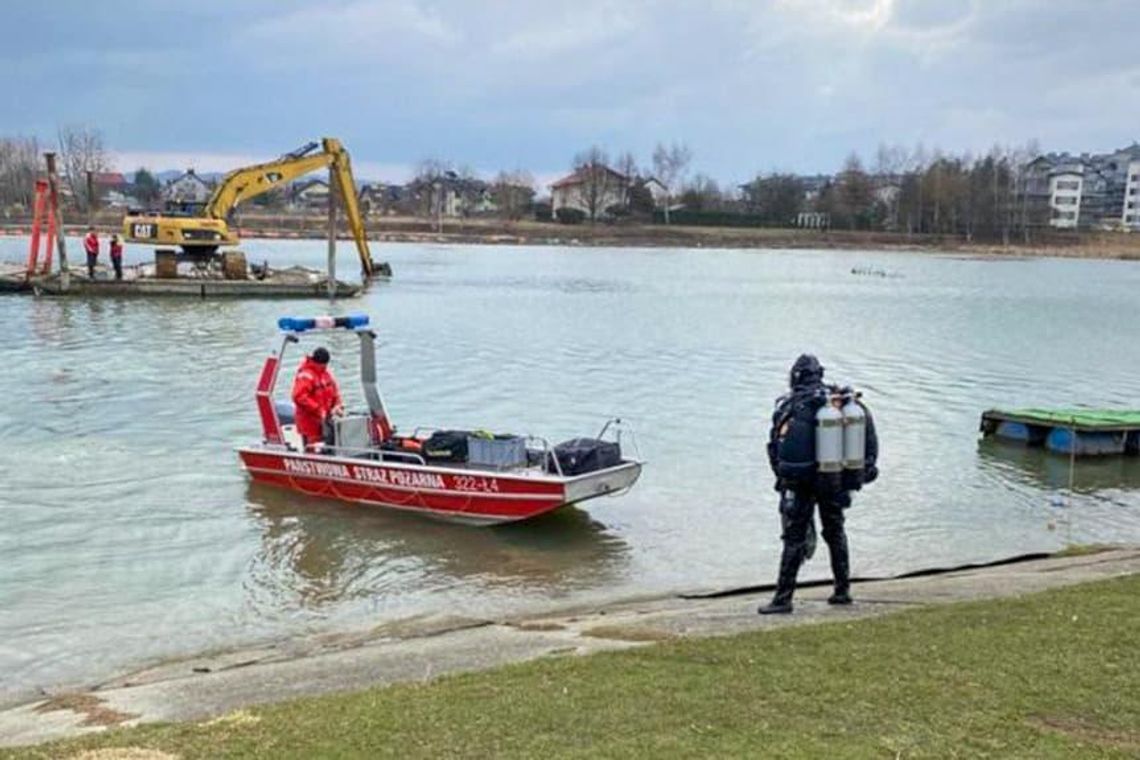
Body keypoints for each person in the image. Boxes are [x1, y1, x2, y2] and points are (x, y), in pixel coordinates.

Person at [758, 354, 878, 615]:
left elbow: (776, 448)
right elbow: (868, 447)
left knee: (794, 538)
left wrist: (783, 481)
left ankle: (783, 598)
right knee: (835, 531)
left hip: (800, 483)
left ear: (796, 376)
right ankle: (842, 590)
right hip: (833, 478)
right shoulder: (838, 404)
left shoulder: (792, 405)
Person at [291, 347, 344, 449]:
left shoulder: (325, 374)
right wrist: (318, 409)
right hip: (310, 423)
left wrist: (338, 405)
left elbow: (334, 392)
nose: (325, 367)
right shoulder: (306, 375)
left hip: (325, 421)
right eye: (324, 364)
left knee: (328, 447)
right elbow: (298, 396)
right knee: (312, 450)